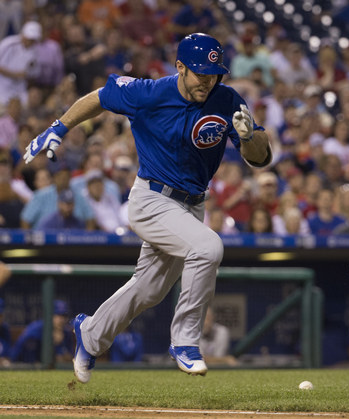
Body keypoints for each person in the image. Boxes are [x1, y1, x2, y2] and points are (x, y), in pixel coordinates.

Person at [22, 33, 271, 383]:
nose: (207, 79)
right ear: (180, 66)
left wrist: (249, 137)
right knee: (208, 247)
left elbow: (260, 159)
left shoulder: (226, 99)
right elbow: (100, 97)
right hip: (152, 199)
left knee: (149, 289)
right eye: (200, 72)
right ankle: (185, 341)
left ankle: (90, 335)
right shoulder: (150, 92)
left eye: (214, 72)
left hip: (192, 205)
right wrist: (59, 127)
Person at [9, 299, 74, 364]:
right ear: (50, 315)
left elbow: (69, 358)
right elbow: (22, 352)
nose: (62, 320)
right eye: (58, 315)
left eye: (64, 316)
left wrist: (59, 345)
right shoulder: (36, 329)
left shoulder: (66, 332)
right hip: (21, 363)